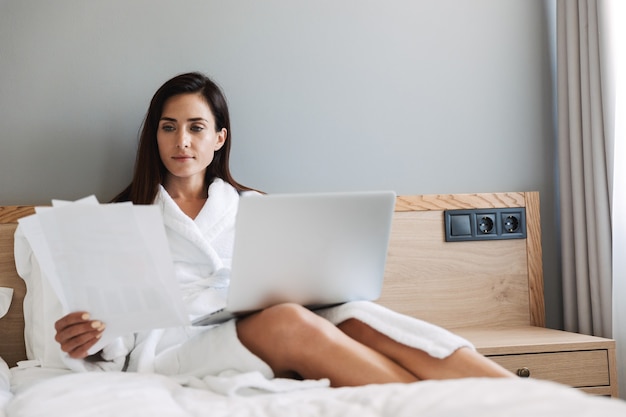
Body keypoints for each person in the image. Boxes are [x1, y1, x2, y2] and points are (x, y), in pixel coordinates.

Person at [52, 72, 513, 386]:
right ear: (155, 135)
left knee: (359, 314)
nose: (182, 141)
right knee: (288, 321)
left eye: (196, 127)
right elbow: (117, 332)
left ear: (219, 137)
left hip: (255, 318)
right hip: (177, 345)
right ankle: (437, 405)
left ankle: (525, 399)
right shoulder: (123, 217)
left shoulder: (254, 207)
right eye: (169, 127)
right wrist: (94, 337)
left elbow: (303, 281)